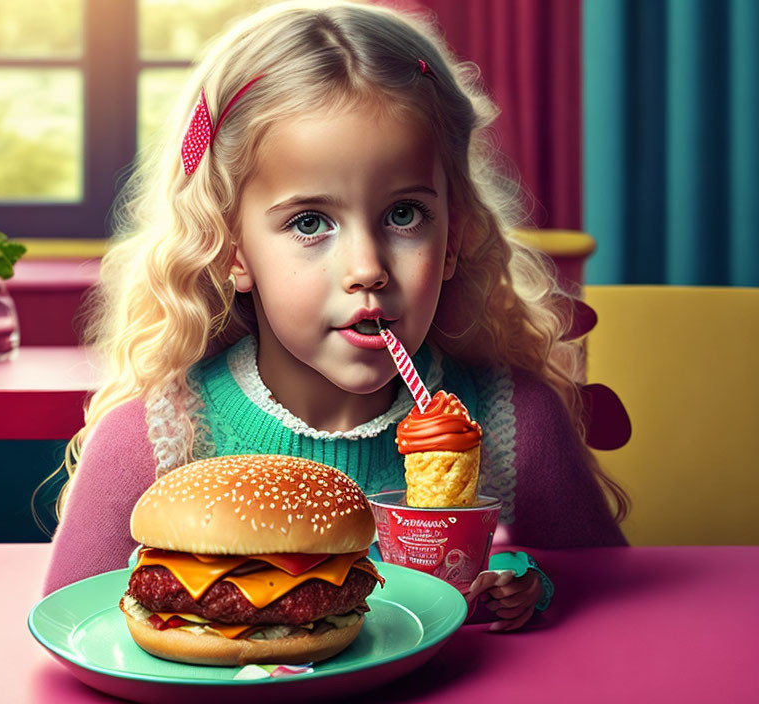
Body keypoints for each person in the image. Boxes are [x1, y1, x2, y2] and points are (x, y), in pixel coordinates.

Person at [41, 0, 629, 631]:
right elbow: (73, 625)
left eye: (404, 215)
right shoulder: (156, 439)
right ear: (233, 250)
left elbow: (612, 594)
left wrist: (532, 586)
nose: (367, 267)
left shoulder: (514, 421)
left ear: (454, 235)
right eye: (310, 223)